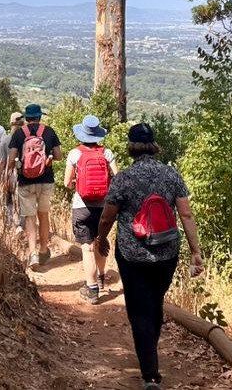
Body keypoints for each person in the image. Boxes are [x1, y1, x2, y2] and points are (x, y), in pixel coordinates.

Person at [94, 123, 204, 389]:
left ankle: (150, 375)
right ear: (154, 145)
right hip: (167, 252)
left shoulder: (124, 178)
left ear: (131, 147)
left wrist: (101, 238)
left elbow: (108, 216)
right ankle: (150, 354)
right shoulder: (171, 174)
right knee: (155, 302)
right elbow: (186, 214)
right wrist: (195, 252)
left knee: (139, 309)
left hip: (132, 254)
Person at [64, 115, 117, 304]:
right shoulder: (107, 153)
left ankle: (92, 289)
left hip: (82, 206)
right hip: (104, 207)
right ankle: (101, 277)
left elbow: (66, 182)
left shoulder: (74, 154)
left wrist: (78, 183)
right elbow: (117, 179)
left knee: (87, 248)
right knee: (100, 241)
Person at [3, 104, 63, 270]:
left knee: (30, 218)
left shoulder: (19, 134)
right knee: (43, 215)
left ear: (26, 118)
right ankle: (43, 249)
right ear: (40, 116)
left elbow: (11, 159)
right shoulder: (49, 132)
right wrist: (48, 159)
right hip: (46, 181)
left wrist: (9, 173)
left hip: (25, 182)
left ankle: (33, 253)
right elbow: (59, 156)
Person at [1, 112, 26, 229]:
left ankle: (9, 224)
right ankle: (21, 226)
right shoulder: (28, 139)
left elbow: (2, 162)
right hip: (25, 175)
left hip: (9, 174)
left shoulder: (5, 140)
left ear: (11, 124)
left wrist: (1, 177)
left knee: (8, 201)